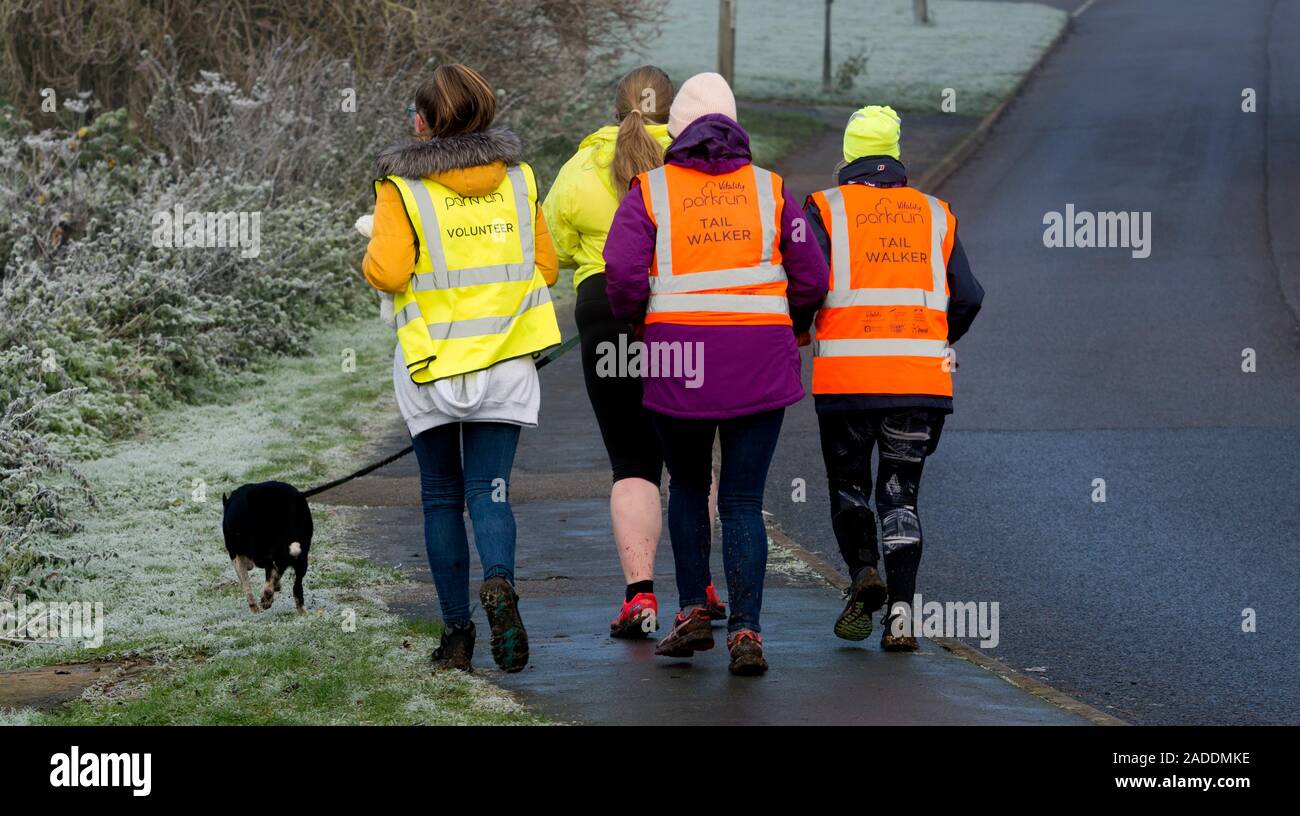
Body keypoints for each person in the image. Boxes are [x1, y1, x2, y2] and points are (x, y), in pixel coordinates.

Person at [604, 72, 829, 675]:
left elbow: (622, 274)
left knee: (685, 484)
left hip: (679, 364)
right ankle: (748, 631)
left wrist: (638, 324)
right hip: (759, 362)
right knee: (743, 500)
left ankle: (691, 612)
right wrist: (796, 324)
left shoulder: (650, 190)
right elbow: (812, 273)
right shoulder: (772, 190)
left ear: (675, 129)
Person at [362, 64, 561, 673]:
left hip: (431, 368)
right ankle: (499, 581)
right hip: (504, 363)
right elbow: (548, 269)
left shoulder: (400, 190)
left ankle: (456, 637)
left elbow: (389, 274)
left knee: (441, 498)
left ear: (420, 123)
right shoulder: (521, 180)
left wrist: (370, 248)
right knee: (491, 492)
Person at [543, 66, 726, 640]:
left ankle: (639, 596)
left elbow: (551, 247)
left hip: (605, 314)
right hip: (681, 313)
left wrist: (589, 259)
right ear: (673, 110)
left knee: (632, 460)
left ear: (614, 105)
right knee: (693, 461)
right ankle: (702, 589)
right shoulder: (698, 162)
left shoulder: (579, 168)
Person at [803, 105, 984, 650]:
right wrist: (937, 337)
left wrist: (795, 329)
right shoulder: (935, 213)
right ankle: (902, 615)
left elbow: (806, 284)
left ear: (848, 154)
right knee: (901, 496)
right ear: (896, 154)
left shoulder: (825, 210)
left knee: (850, 488)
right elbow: (970, 295)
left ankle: (863, 574)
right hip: (919, 381)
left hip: (847, 381)